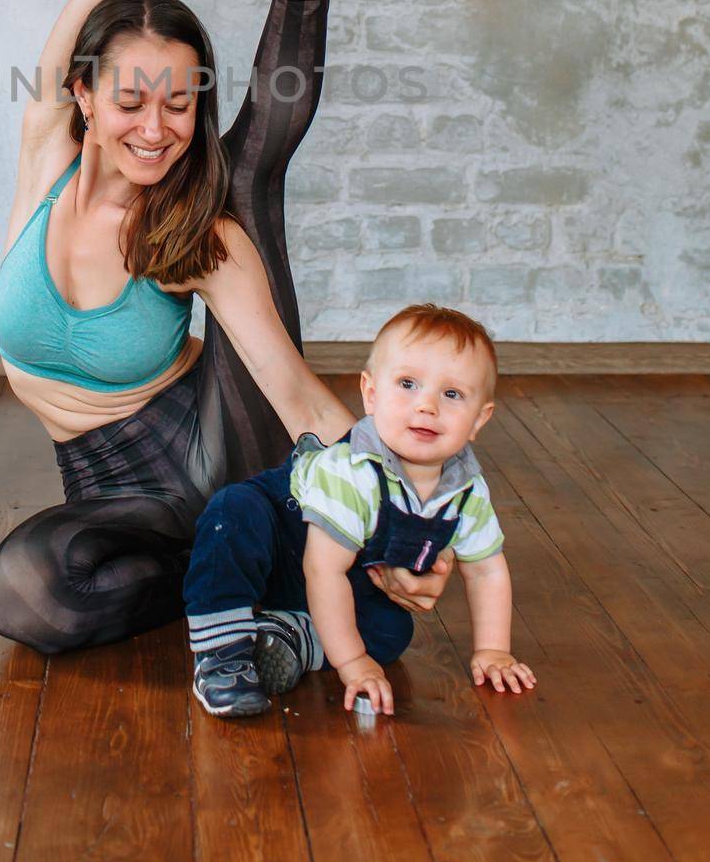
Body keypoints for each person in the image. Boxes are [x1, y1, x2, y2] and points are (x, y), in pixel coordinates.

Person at [0, 0, 456, 653]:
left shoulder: (197, 233)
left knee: (244, 181)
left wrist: (410, 532)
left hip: (217, 450)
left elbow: (293, 394)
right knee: (30, 593)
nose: (156, 127)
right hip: (114, 494)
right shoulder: (44, 152)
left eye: (179, 101)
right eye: (130, 99)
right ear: (81, 95)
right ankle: (268, 576)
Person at [182, 303, 538, 717]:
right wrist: (352, 663)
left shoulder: (466, 491)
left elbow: (487, 569)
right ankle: (222, 653)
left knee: (391, 631)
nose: (427, 406)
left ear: (480, 419)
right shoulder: (354, 470)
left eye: (452, 394)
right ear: (371, 394)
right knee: (233, 513)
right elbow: (322, 568)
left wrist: (494, 650)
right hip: (287, 544)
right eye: (407, 384)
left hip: (343, 576)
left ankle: (290, 635)